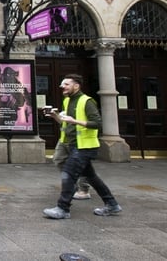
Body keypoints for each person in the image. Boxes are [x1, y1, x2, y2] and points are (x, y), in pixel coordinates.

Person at [43, 74, 121, 219]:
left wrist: (75, 121)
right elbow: (67, 123)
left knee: (69, 173)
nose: (62, 87)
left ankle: (63, 208)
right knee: (91, 177)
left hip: (84, 146)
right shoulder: (67, 101)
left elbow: (97, 123)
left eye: (66, 84)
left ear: (76, 86)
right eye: (62, 84)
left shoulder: (87, 101)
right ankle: (112, 205)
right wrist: (55, 117)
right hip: (72, 144)